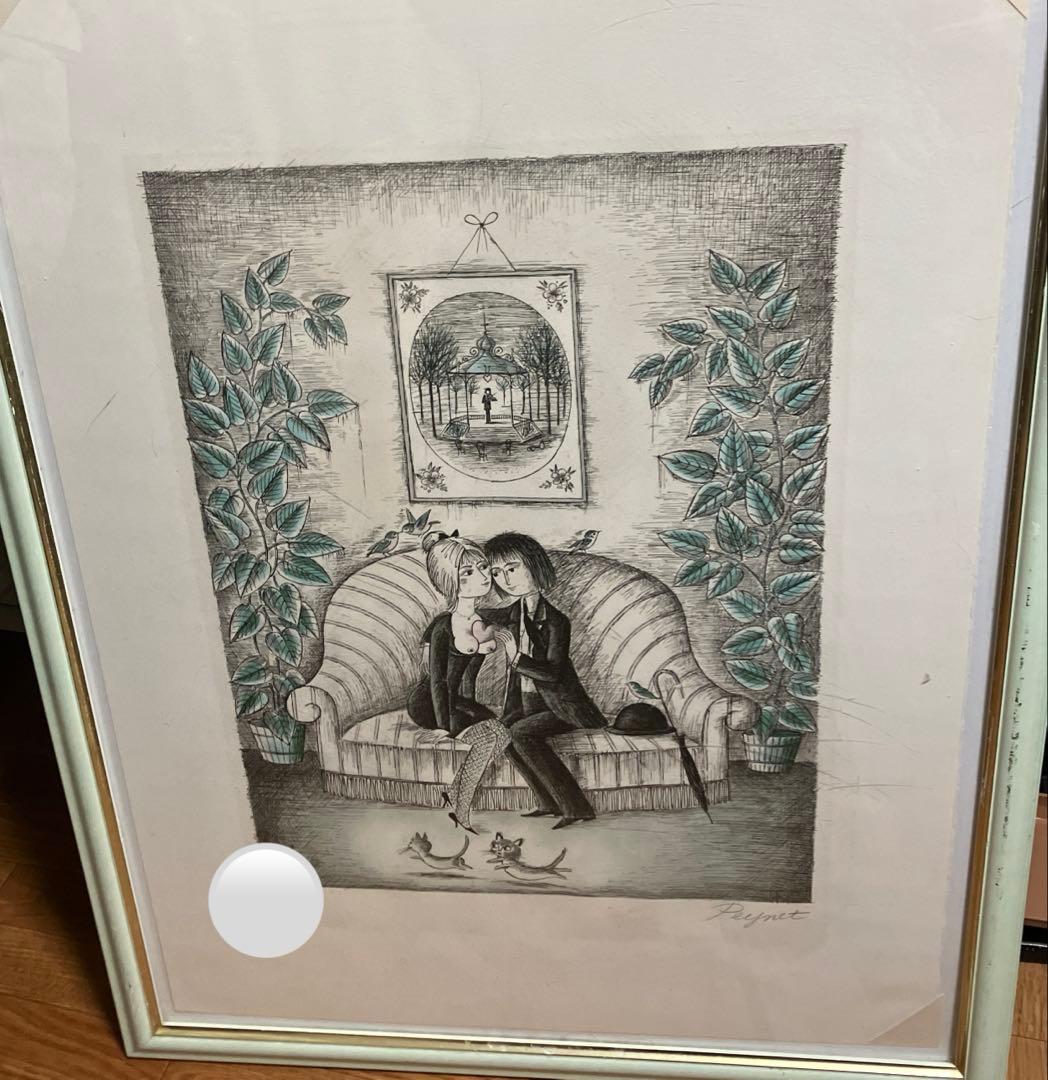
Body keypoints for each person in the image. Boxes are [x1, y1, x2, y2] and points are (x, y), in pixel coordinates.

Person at [485, 532, 605, 829]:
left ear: (535, 566)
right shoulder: (513, 613)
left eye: (512, 569)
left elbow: (552, 673)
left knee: (521, 733)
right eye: (497, 573)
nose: (505, 579)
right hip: (528, 705)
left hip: (562, 707)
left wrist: (516, 658)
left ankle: (576, 807)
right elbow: (479, 614)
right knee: (503, 733)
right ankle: (547, 802)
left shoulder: (556, 621)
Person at [406, 535, 510, 832]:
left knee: (503, 734)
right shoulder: (442, 625)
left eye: (483, 567)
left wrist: (473, 711)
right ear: (449, 582)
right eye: (468, 572)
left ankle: (453, 792)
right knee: (487, 739)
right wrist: (444, 725)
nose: (482, 576)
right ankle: (462, 811)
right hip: (430, 701)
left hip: (459, 699)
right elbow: (437, 680)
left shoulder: (481, 621)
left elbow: (469, 676)